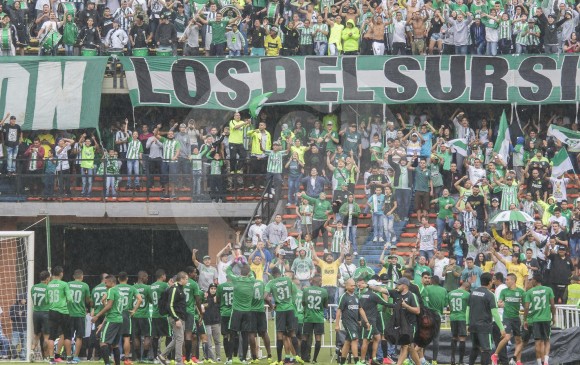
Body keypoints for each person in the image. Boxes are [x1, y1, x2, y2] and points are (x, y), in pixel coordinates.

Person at [467, 272, 506, 365]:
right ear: (489, 282)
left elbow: (467, 309)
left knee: (475, 348)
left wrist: (467, 324)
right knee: (486, 350)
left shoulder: (473, 293)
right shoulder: (490, 295)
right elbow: (495, 314)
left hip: (473, 325)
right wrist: (501, 328)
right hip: (484, 327)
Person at [265, 267, 300, 364]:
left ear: (272, 274)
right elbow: (295, 292)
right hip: (290, 309)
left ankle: (280, 360)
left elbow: (264, 297)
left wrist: (271, 306)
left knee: (280, 335)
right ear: (280, 273)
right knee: (292, 334)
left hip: (280, 310)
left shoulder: (271, 283)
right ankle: (297, 357)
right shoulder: (288, 280)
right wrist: (291, 302)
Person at [493, 273, 525, 365]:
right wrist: (500, 304)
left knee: (519, 340)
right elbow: (499, 303)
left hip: (516, 318)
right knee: (507, 337)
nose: (506, 281)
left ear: (513, 281)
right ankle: (495, 355)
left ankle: (518, 361)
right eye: (505, 280)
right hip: (507, 317)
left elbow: (524, 304)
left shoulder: (521, 292)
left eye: (507, 280)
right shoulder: (504, 291)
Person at [523, 274, 555, 365]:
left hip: (536, 319)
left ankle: (538, 363)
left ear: (536, 280)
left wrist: (525, 319)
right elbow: (553, 305)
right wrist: (554, 317)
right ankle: (546, 361)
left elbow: (526, 307)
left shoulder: (530, 292)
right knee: (547, 340)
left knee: (538, 341)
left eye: (532, 279)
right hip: (546, 318)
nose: (531, 281)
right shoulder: (549, 289)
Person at [157, 272, 188, 365]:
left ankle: (162, 356)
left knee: (177, 338)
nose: (187, 281)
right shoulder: (174, 289)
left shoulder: (180, 288)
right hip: (176, 317)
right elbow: (170, 305)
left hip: (180, 317)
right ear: (181, 279)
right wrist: (176, 318)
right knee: (179, 339)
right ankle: (179, 361)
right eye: (186, 279)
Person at [91, 275, 122, 365]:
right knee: (115, 345)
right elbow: (112, 307)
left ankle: (107, 363)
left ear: (112, 282)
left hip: (112, 320)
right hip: (119, 319)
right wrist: (104, 301)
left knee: (103, 342)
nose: (105, 284)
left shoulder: (111, 290)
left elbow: (109, 307)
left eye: (106, 282)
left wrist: (97, 316)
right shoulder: (119, 291)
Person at [336, 278, 367, 365]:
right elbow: (339, 311)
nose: (353, 287)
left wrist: (366, 321)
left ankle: (342, 362)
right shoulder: (344, 297)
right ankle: (357, 361)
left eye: (354, 285)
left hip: (355, 322)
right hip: (348, 322)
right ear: (346, 286)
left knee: (347, 341)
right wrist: (337, 324)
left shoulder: (356, 296)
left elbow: (360, 309)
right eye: (351, 285)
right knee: (355, 340)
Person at [46, 266, 73, 364]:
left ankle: (51, 359)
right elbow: (70, 299)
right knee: (67, 336)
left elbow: (46, 300)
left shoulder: (48, 285)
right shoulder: (64, 284)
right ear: (61, 273)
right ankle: (69, 358)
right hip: (63, 312)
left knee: (51, 336)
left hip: (52, 312)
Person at [116, 272, 142, 365]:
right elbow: (140, 299)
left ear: (118, 279)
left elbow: (105, 299)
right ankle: (126, 358)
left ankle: (116, 357)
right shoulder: (132, 288)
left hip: (116, 313)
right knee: (126, 337)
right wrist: (134, 310)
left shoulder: (115, 288)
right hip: (127, 313)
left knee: (115, 336)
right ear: (127, 278)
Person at [68, 269, 92, 364]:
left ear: (74, 276)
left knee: (68, 336)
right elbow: (87, 300)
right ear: (82, 276)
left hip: (69, 313)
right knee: (79, 336)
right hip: (80, 314)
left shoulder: (68, 284)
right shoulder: (85, 285)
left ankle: (68, 356)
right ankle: (75, 357)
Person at [132, 271, 153, 363]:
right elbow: (152, 300)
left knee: (136, 336)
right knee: (147, 336)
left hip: (135, 315)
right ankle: (144, 357)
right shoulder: (147, 288)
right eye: (146, 277)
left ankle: (137, 357)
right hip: (145, 315)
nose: (147, 279)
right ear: (142, 277)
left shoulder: (132, 288)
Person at [447, 281, 470, 365]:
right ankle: (461, 361)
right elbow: (468, 308)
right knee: (462, 338)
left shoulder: (450, 293)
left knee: (454, 337)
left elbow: (448, 305)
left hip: (453, 317)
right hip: (462, 317)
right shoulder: (467, 294)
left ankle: (452, 360)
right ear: (467, 288)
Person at [150, 270, 169, 361]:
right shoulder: (165, 285)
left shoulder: (151, 286)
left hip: (154, 314)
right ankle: (166, 356)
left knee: (155, 336)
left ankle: (155, 357)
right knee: (169, 335)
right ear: (162, 276)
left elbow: (151, 300)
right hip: (163, 314)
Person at [31, 270, 51, 358]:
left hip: (35, 312)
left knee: (36, 335)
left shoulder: (34, 287)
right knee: (46, 337)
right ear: (47, 279)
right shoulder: (48, 288)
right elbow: (48, 300)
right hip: (45, 312)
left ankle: (31, 351)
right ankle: (46, 357)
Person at [216, 276, 234, 364]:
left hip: (224, 313)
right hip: (233, 313)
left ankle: (227, 357)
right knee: (233, 335)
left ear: (226, 278)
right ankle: (232, 356)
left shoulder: (220, 286)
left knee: (225, 336)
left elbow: (218, 299)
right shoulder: (235, 285)